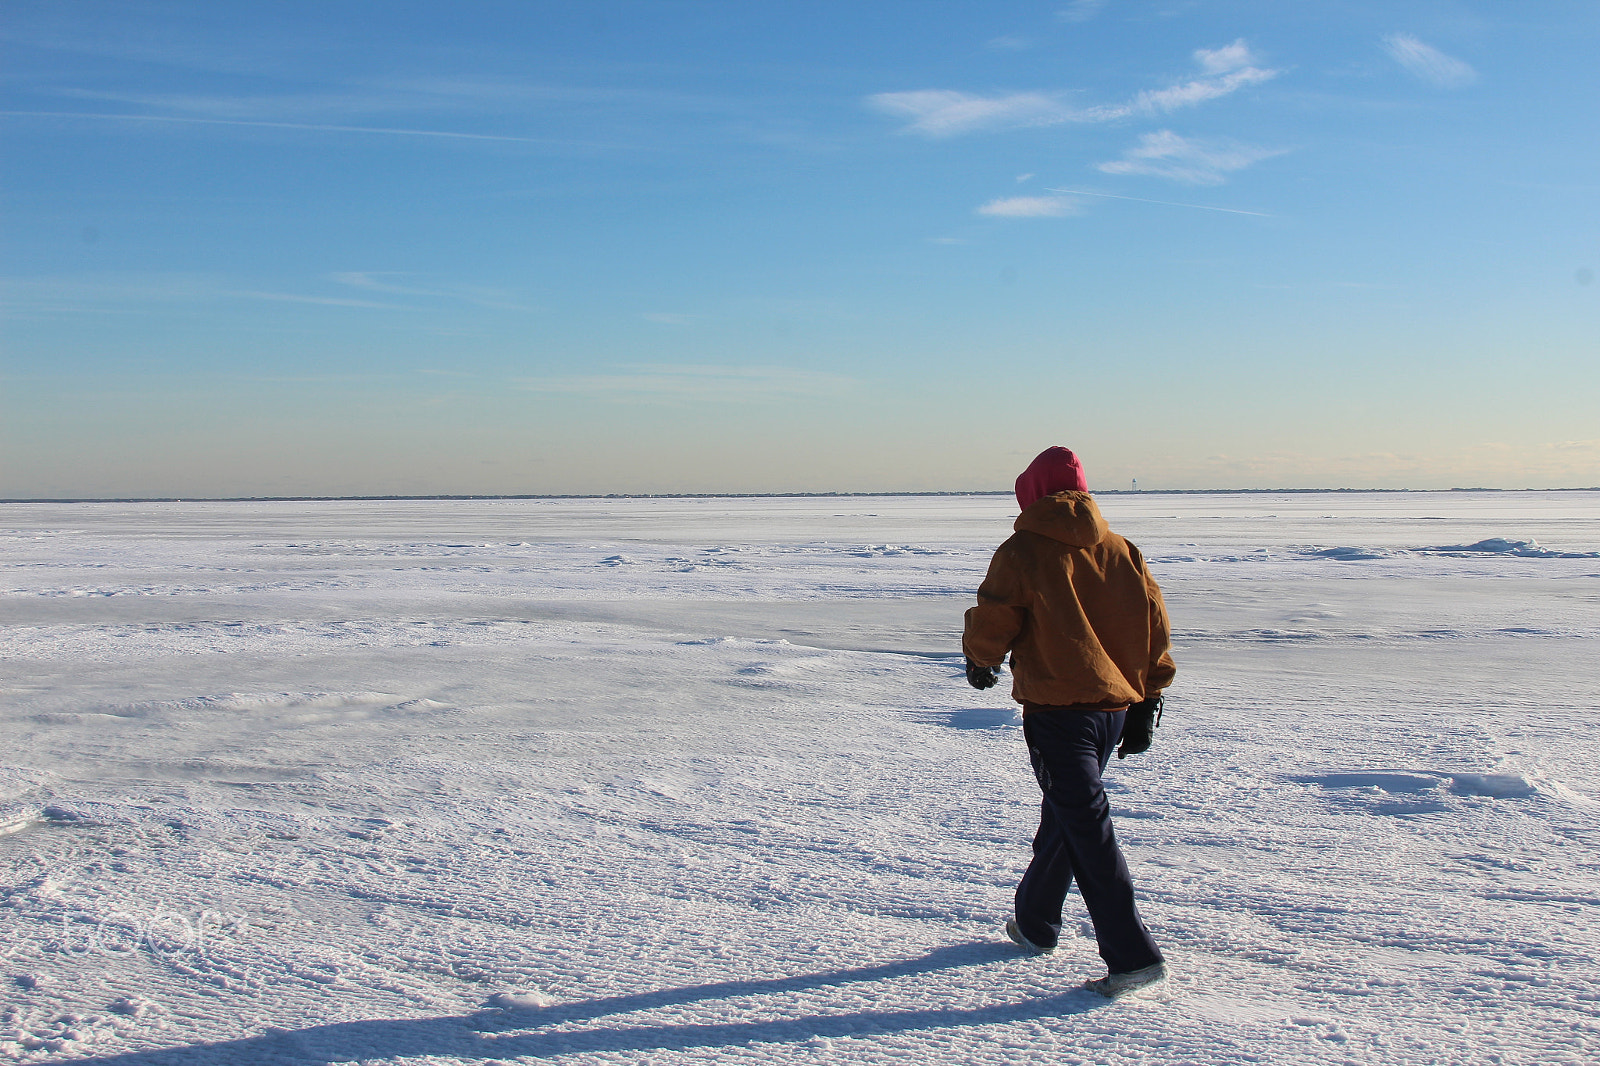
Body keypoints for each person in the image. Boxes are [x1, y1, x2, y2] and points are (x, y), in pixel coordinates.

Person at [962, 446, 1175, 998]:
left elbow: (996, 614)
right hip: (1112, 711)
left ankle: (1132, 957)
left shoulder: (1024, 551)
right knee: (1068, 815)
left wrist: (981, 659)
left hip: (1060, 713)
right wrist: (1148, 698)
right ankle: (1035, 923)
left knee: (1085, 826)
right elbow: (1154, 624)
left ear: (1032, 492)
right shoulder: (1120, 549)